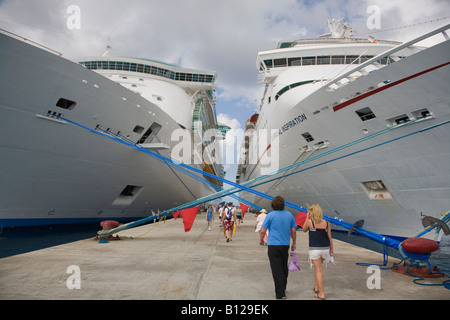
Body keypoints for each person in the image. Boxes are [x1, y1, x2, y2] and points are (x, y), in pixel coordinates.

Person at [259, 196, 296, 299]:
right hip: (285, 245)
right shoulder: (289, 215)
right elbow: (293, 231)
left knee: (276, 269)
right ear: (283, 204)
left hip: (273, 245)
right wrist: (294, 243)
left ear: (273, 204)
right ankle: (283, 288)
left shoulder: (270, 215)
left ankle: (280, 294)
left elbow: (262, 230)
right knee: (284, 267)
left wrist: (261, 240)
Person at [302, 203, 334, 300]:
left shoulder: (310, 222)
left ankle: (322, 293)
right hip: (325, 249)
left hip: (315, 249)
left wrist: (307, 218)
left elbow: (304, 230)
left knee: (318, 270)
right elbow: (329, 237)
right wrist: (331, 249)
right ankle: (316, 287)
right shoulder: (326, 223)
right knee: (318, 268)